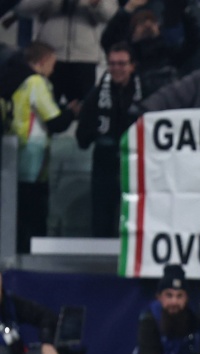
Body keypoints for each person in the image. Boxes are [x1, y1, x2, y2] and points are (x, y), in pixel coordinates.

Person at [0, 41, 79, 253]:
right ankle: (31, 258)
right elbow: (55, 121)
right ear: (42, 61)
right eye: (52, 63)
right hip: (33, 159)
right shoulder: (35, 82)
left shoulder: (11, 80)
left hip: (12, 157)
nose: (53, 70)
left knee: (15, 214)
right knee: (33, 215)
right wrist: (71, 112)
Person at [75, 42, 142, 237]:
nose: (116, 68)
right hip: (105, 162)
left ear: (132, 66)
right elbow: (82, 137)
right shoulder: (97, 94)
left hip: (135, 161)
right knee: (102, 217)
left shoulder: (145, 91)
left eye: (122, 64)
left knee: (133, 216)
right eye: (112, 64)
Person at [15, 0, 117, 102]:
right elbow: (22, 8)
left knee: (82, 107)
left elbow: (111, 15)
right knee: (42, 104)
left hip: (84, 58)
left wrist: (95, 3)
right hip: (48, 57)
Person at [100, 0, 200, 98]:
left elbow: (192, 43)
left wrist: (183, 11)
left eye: (152, 21)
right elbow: (108, 40)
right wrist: (128, 8)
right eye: (141, 22)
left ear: (158, 28)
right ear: (133, 31)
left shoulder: (170, 54)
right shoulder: (128, 56)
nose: (147, 24)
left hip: (166, 103)